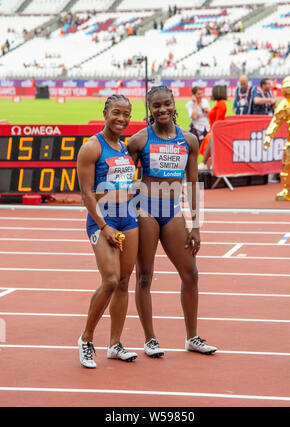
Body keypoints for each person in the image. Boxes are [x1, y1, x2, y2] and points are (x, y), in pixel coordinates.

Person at [127, 85, 217, 358]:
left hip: (172, 209)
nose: (162, 109)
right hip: (145, 210)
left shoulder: (188, 140)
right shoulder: (139, 141)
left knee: (191, 274)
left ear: (174, 105)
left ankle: (192, 337)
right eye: (156, 106)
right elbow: (123, 180)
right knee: (144, 277)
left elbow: (192, 184)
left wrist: (196, 226)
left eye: (167, 104)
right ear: (149, 109)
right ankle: (150, 339)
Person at [76, 94, 139, 368]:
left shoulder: (123, 148)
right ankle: (86, 339)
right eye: (116, 113)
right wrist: (104, 225)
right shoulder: (92, 147)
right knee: (111, 280)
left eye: (126, 114)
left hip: (128, 218)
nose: (121, 119)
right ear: (105, 113)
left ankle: (115, 345)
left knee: (125, 281)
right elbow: (87, 194)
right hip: (103, 220)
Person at [263, 75, 290, 201]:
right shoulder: (285, 104)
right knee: (287, 165)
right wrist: (268, 136)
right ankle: (288, 190)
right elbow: (276, 121)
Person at [200, 85, 227, 168]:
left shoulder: (221, 104)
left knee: (209, 150)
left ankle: (204, 165)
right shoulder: (219, 103)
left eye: (213, 92)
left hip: (214, 132)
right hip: (212, 131)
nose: (211, 94)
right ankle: (205, 166)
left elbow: (218, 121)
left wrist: (213, 133)